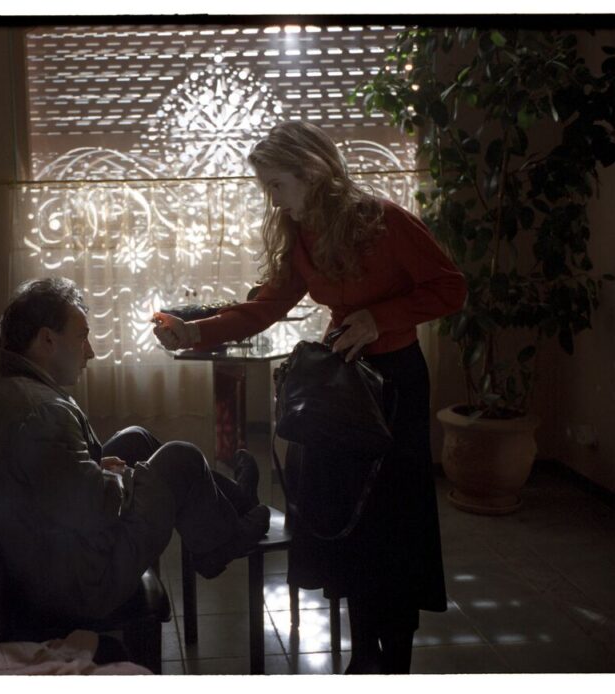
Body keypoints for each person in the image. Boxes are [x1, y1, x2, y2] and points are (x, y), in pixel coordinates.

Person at [153, 121, 467, 674]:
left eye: (276, 185)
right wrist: (193, 332)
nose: (271, 198)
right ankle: (363, 653)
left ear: (312, 172)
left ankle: (394, 660)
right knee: (342, 522)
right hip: (339, 386)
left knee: (391, 525)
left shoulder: (382, 221)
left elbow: (451, 287)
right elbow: (266, 307)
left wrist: (378, 318)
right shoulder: (299, 233)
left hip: (392, 384)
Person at [0, 277, 270, 625]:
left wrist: (99, 470)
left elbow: (50, 483)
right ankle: (221, 545)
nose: (90, 351)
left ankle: (237, 504)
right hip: (80, 579)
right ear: (47, 339)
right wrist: (116, 476)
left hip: (44, 547)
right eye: (82, 337)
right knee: (180, 458)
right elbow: (95, 512)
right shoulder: (43, 412)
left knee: (136, 439)